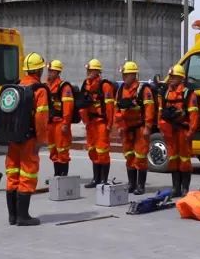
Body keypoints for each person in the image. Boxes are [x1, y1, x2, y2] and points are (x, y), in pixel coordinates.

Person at [5, 52, 51, 226]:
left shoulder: (16, 86)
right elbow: (41, 118)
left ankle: (13, 216)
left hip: (13, 137)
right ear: (39, 70)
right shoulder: (39, 90)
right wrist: (41, 140)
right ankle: (23, 217)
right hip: (29, 138)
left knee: (13, 174)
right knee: (28, 174)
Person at [159, 64, 200, 197]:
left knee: (184, 160)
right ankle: (175, 188)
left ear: (181, 78)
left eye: (174, 76)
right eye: (170, 76)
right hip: (170, 131)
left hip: (183, 131)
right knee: (173, 158)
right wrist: (162, 127)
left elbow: (194, 115)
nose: (171, 79)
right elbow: (160, 112)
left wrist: (191, 132)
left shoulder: (188, 94)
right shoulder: (166, 93)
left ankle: (185, 188)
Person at [114, 61, 156, 196]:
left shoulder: (143, 90)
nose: (124, 77)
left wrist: (148, 127)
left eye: (126, 74)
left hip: (140, 128)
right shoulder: (121, 89)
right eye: (123, 74)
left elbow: (149, 109)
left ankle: (140, 186)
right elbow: (117, 109)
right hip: (127, 128)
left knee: (141, 157)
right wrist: (119, 126)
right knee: (129, 156)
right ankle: (131, 184)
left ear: (133, 75)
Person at [79, 59, 116, 188]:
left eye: (91, 70)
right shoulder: (85, 84)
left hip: (101, 122)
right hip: (91, 123)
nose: (88, 72)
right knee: (92, 150)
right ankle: (96, 179)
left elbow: (110, 107)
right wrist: (86, 122)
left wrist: (110, 124)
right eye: (88, 70)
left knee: (102, 151)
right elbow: (81, 104)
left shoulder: (105, 86)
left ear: (97, 71)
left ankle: (103, 180)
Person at [46, 59, 75, 177]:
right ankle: (56, 176)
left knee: (62, 151)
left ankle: (63, 177)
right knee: (53, 150)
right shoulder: (47, 86)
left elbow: (68, 107)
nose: (49, 73)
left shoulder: (64, 87)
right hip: (50, 123)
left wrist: (65, 124)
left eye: (52, 71)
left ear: (58, 72)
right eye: (49, 71)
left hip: (60, 123)